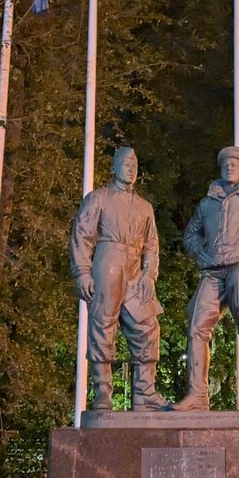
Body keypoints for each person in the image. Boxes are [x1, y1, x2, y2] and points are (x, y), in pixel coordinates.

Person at [170, 146, 239, 411]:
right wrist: (200, 253)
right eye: (225, 164)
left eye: (235, 163)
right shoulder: (207, 203)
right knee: (197, 326)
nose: (230, 167)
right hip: (213, 270)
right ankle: (198, 395)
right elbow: (191, 234)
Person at [69, 147, 168, 411]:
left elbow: (152, 245)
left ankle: (144, 392)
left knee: (147, 325)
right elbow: (82, 235)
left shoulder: (145, 207)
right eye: (126, 164)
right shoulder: (98, 198)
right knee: (103, 324)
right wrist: (82, 271)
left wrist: (150, 274)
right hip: (108, 262)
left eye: (135, 165)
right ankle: (102, 391)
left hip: (136, 270)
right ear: (114, 168)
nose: (131, 169)